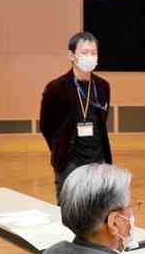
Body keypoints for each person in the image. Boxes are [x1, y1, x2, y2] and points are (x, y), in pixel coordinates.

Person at [40, 31, 112, 203]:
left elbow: (103, 120)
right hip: (69, 163)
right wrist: (60, 147)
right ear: (71, 55)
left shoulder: (103, 86)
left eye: (93, 53)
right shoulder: (55, 88)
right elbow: (46, 126)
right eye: (85, 52)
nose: (90, 57)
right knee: (69, 214)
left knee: (97, 215)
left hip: (98, 162)